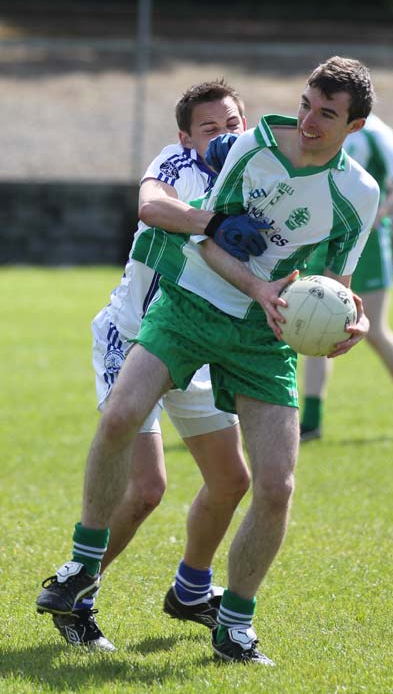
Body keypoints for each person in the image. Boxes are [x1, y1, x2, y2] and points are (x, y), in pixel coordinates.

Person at [36, 56, 379, 665]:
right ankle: (81, 570)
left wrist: (351, 319)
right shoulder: (245, 150)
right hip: (189, 304)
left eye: (326, 114)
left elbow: (337, 283)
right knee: (124, 428)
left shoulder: (358, 193)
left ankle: (229, 624)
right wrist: (258, 287)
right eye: (305, 104)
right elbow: (201, 235)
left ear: (354, 127)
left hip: (261, 336)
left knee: (271, 485)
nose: (308, 120)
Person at [36, 79, 271, 651]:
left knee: (232, 480)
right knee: (147, 490)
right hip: (135, 337)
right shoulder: (175, 164)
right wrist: (211, 221)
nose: (223, 135)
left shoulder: (261, 182)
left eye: (233, 124)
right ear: (186, 137)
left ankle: (191, 590)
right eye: (209, 127)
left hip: (197, 345)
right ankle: (77, 594)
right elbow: (151, 205)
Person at [300, 113, 393, 442]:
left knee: (374, 330)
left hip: (369, 245)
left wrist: (381, 212)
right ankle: (311, 422)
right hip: (324, 239)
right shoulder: (315, 127)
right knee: (313, 324)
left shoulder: (376, 132)